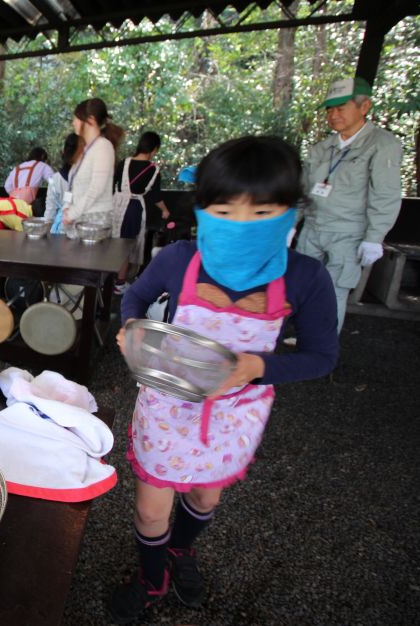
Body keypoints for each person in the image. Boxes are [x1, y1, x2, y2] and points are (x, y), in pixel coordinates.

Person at [107, 136, 339, 623]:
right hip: (168, 407)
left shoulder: (305, 277)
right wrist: (131, 329)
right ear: (204, 210)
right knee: (150, 511)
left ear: (290, 213)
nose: (242, 225)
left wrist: (257, 367)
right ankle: (152, 578)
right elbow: (134, 297)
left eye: (262, 213)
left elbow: (321, 357)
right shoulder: (178, 259)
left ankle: (181, 551)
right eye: (226, 211)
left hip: (235, 414)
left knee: (205, 494)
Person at [297, 76, 403, 335]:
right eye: (329, 109)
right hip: (312, 228)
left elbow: (385, 195)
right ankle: (303, 337)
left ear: (364, 106)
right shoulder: (323, 147)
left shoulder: (382, 145)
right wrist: (291, 224)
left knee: (334, 290)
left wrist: (374, 237)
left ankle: (323, 345)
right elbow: (302, 190)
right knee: (302, 284)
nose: (333, 115)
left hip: (348, 233)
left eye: (341, 108)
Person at [111, 131, 171, 293]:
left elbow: (112, 184)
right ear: (154, 149)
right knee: (125, 247)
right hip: (133, 209)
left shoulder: (124, 163)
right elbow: (156, 196)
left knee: (112, 244)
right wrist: (165, 211)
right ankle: (119, 283)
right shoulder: (153, 169)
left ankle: (106, 280)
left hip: (115, 206)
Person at [61, 98, 121, 238]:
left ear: (91, 120)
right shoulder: (84, 149)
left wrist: (72, 213)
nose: (73, 122)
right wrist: (66, 208)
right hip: (79, 221)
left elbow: (96, 188)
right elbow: (73, 187)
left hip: (95, 223)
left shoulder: (103, 147)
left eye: (77, 118)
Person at [44, 133, 83, 235]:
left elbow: (49, 213)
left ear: (64, 152)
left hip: (58, 234)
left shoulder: (54, 179)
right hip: (81, 234)